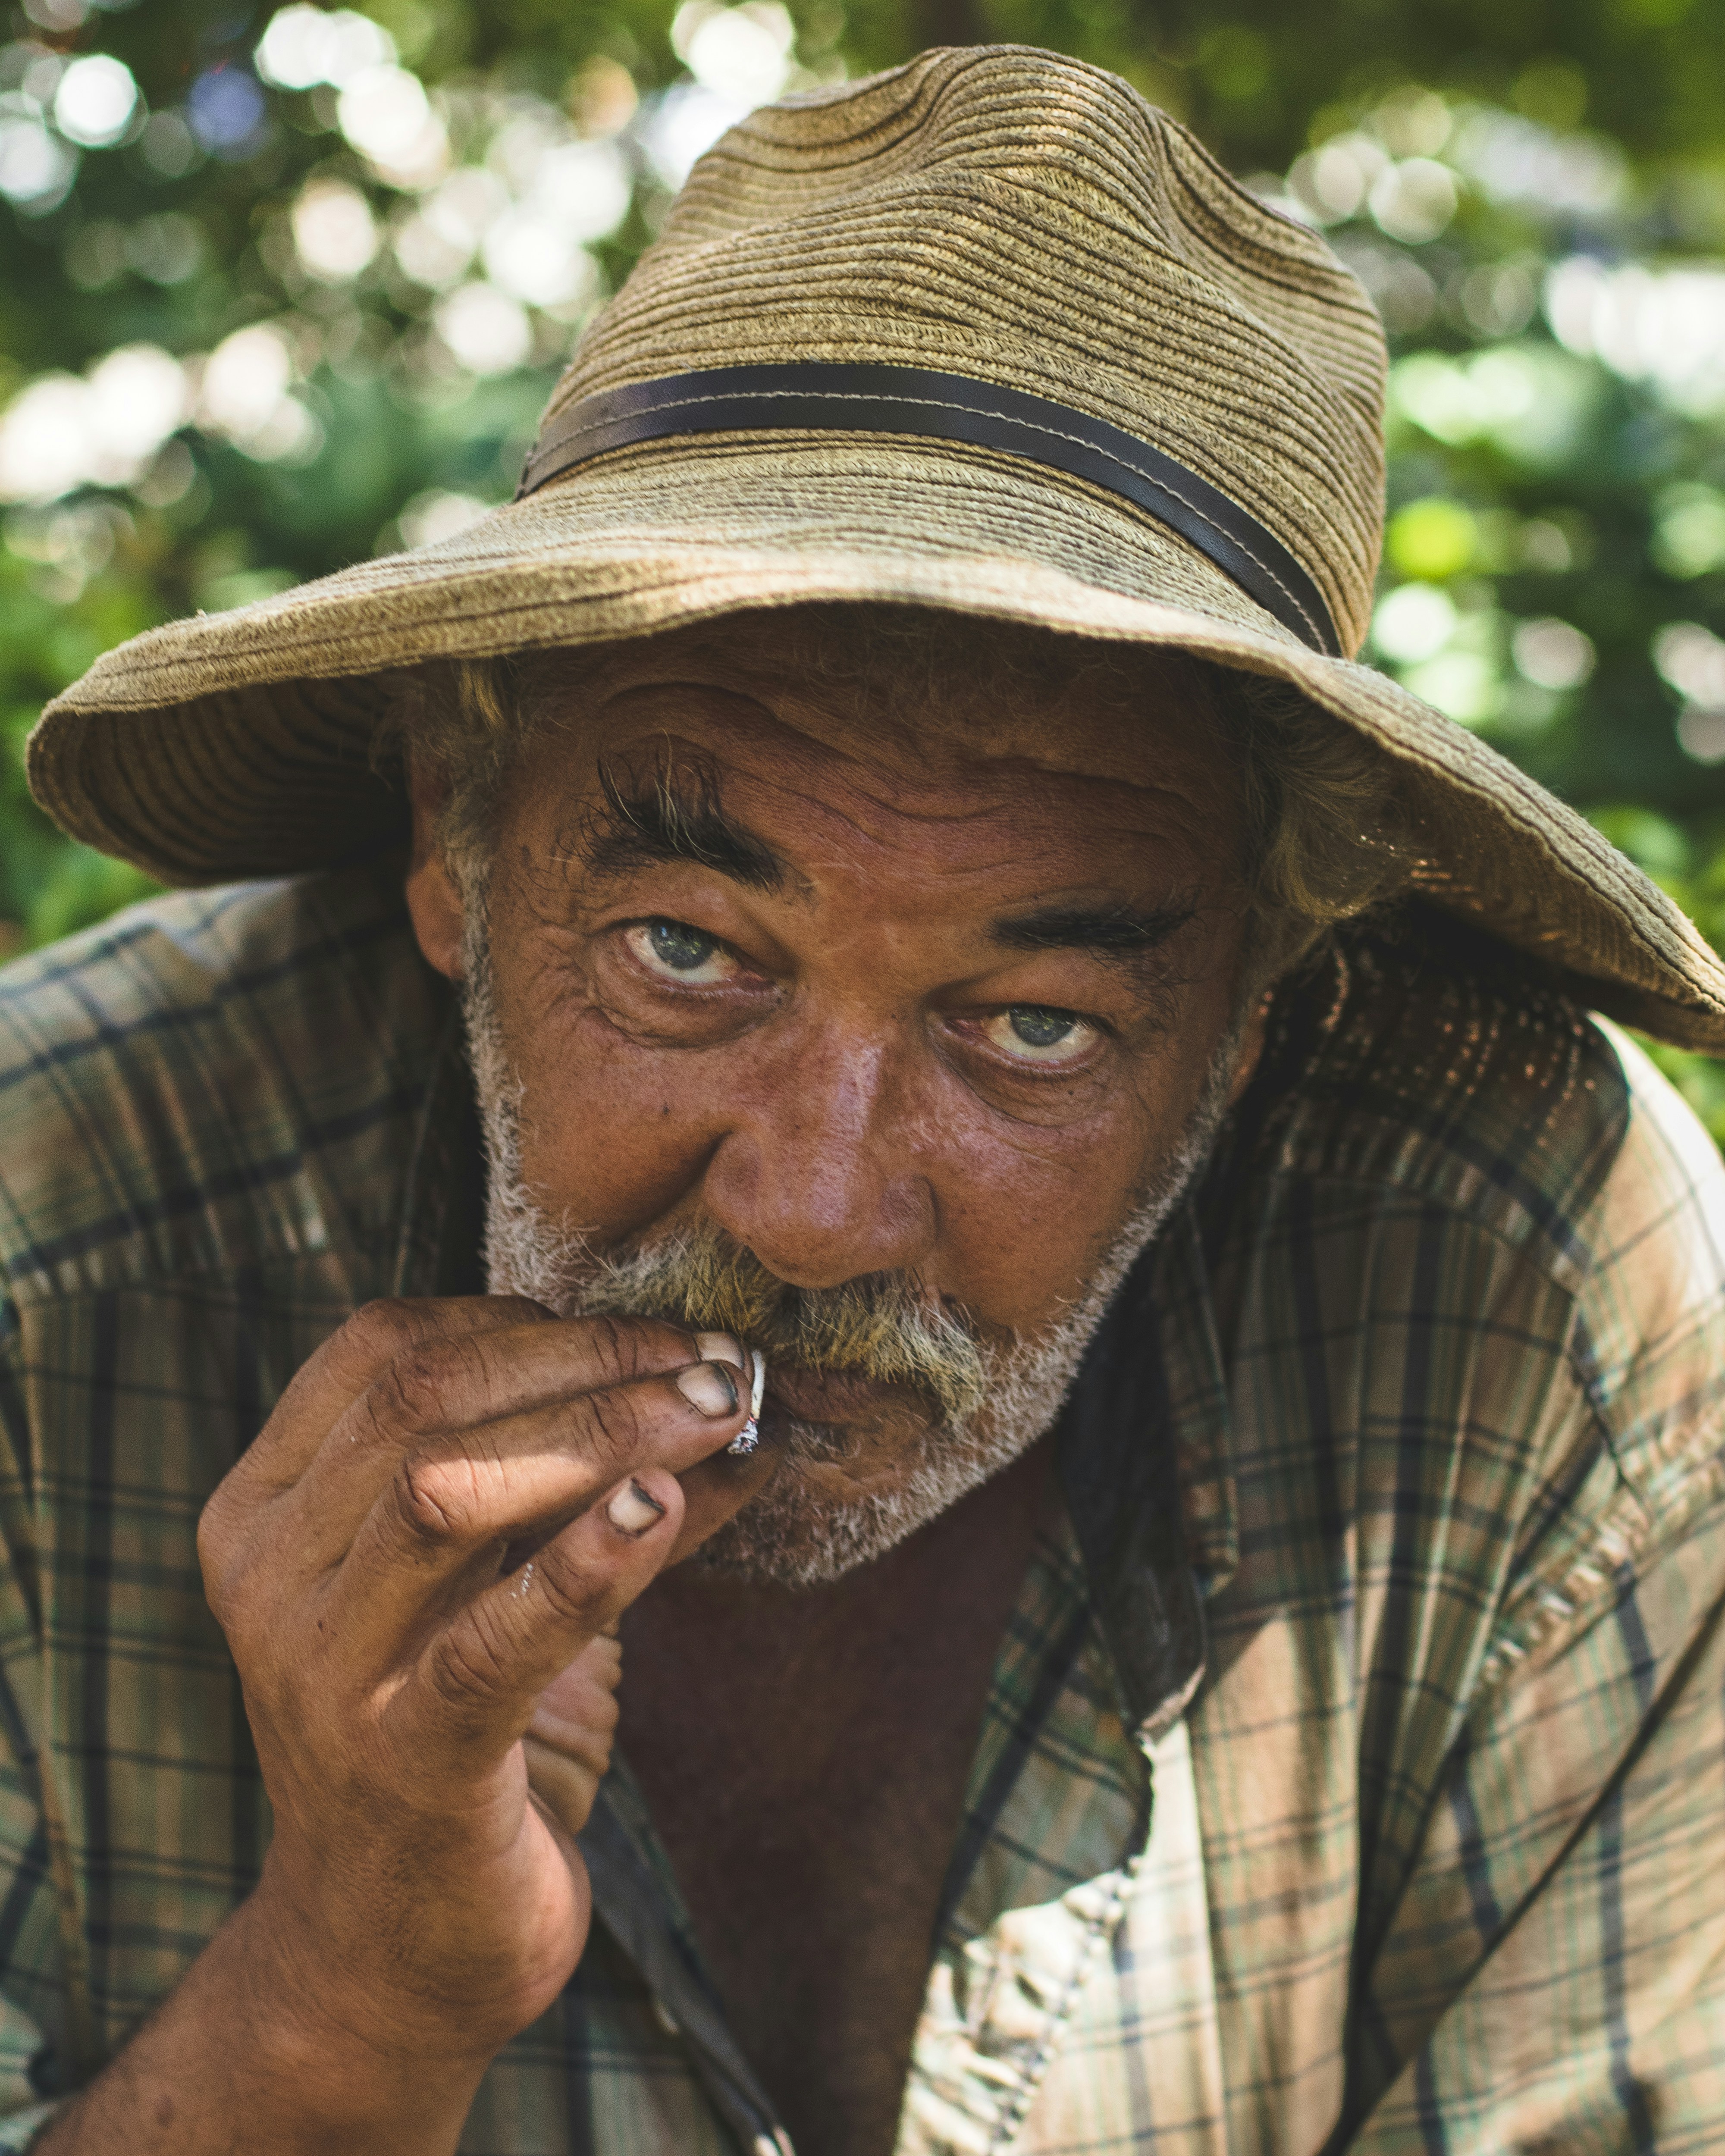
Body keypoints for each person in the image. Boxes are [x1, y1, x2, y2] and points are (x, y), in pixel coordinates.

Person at [4, 42, 1724, 2156]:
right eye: (689, 953)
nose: (813, 1207)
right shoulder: (42, 1256)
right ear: (456, 837)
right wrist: (356, 1978)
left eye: (1029, 1026)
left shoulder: (1519, 1284)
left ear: (1256, 1005)